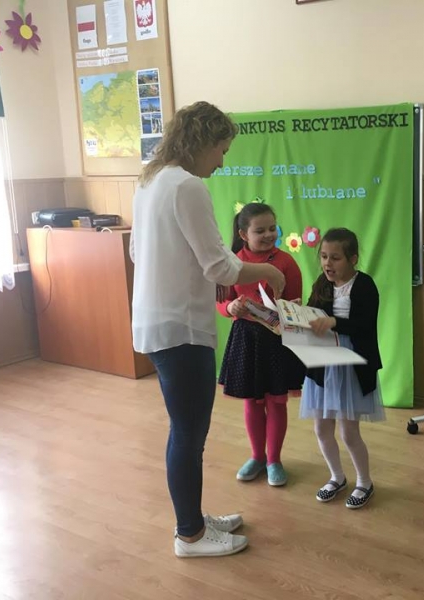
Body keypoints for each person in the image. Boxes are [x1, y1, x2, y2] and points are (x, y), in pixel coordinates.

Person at [130, 101, 285, 558]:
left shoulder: (150, 180)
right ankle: (190, 535)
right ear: (202, 142)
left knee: (186, 430)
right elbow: (220, 267)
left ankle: (193, 519)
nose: (222, 161)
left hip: (156, 323)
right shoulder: (187, 185)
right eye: (222, 149)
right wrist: (268, 271)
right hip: (180, 329)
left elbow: (139, 253)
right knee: (189, 433)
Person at [217, 202, 305, 487]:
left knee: (276, 402)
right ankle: (257, 456)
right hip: (246, 339)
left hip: (277, 340)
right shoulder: (232, 262)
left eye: (272, 228)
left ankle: (273, 460)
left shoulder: (286, 262)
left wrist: (291, 308)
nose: (268, 235)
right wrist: (230, 308)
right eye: (260, 231)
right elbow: (221, 302)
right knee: (252, 403)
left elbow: (296, 302)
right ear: (243, 234)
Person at [300, 228, 384, 510]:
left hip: (350, 365)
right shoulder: (321, 284)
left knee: (349, 432)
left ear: (353, 259)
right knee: (321, 428)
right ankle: (336, 476)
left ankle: (365, 482)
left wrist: (334, 322)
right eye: (324, 256)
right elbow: (312, 315)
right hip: (323, 365)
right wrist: (298, 314)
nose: (328, 263)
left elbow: (365, 325)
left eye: (335, 258)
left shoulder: (365, 285)